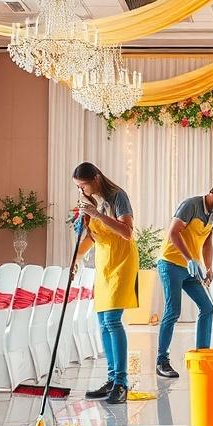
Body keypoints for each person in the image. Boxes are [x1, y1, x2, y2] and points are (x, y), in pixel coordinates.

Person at [155, 180, 213, 379]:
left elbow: (207, 243)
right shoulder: (190, 205)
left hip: (192, 268)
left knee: (208, 307)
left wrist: (208, 267)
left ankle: (202, 354)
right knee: (173, 311)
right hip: (171, 263)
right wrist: (189, 259)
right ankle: (161, 360)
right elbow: (173, 233)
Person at [72, 162, 139, 405]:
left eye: (83, 185)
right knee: (102, 322)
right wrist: (76, 258)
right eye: (78, 187)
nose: (82, 190)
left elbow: (127, 232)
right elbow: (91, 237)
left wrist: (96, 214)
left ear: (96, 178)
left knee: (112, 320)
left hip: (122, 260)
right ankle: (112, 379)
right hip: (104, 262)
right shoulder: (94, 202)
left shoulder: (117, 197)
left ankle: (121, 382)